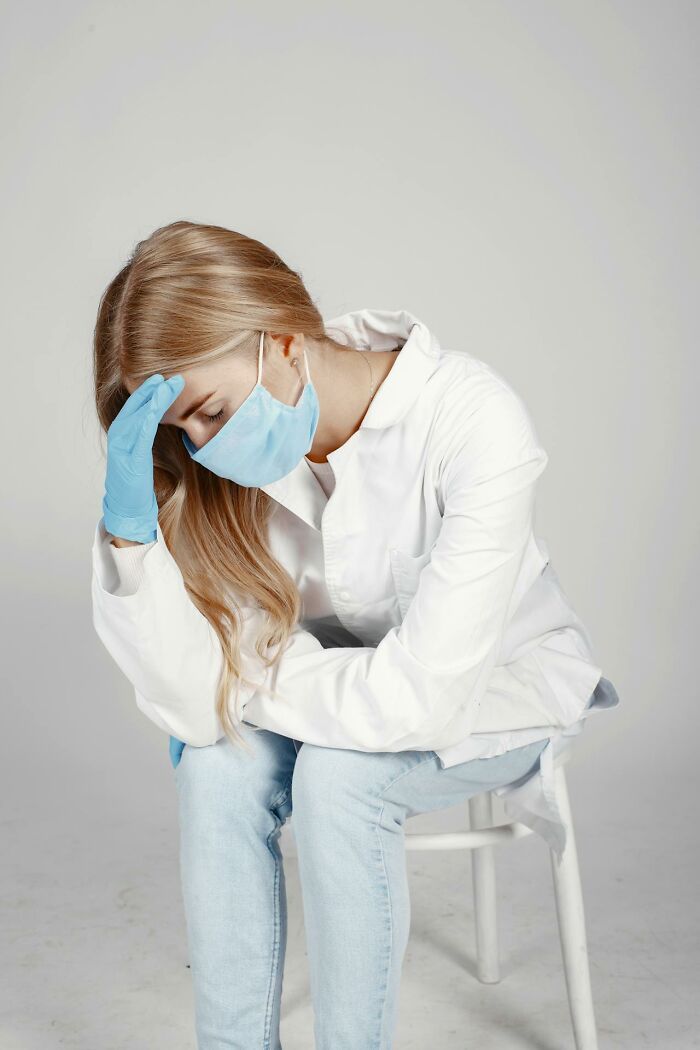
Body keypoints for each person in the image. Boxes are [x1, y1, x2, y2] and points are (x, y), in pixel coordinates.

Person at [91, 219, 620, 1049]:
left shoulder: (473, 420)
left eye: (211, 412)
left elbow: (425, 697)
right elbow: (193, 708)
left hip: (504, 686)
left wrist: (249, 683)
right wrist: (131, 535)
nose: (205, 449)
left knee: (338, 782)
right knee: (214, 767)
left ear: (285, 341)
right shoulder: (250, 465)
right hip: (343, 686)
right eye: (180, 432)